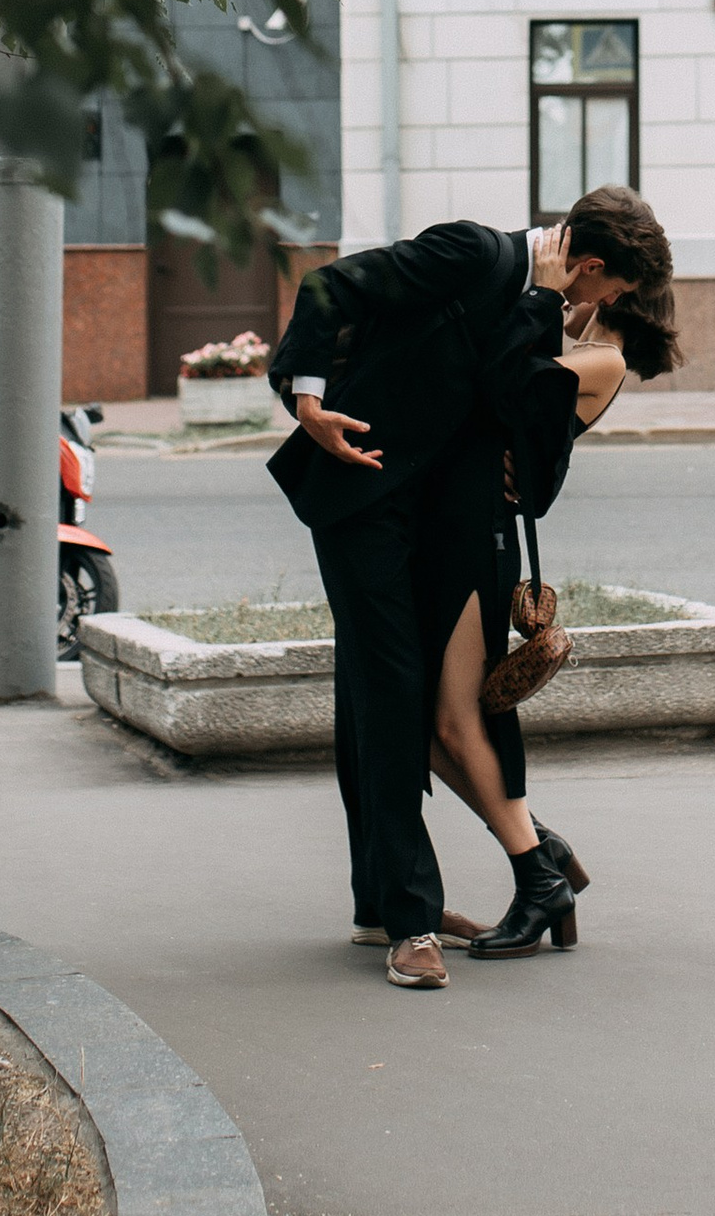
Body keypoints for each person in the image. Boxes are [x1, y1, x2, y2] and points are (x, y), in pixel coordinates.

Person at [265, 187, 676, 989]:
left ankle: (380, 905)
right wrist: (307, 400)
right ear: (589, 265)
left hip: (423, 515)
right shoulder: (475, 253)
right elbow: (330, 287)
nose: (604, 307)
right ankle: (413, 920)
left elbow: (502, 394)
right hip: (362, 489)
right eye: (610, 290)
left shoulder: (544, 306)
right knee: (391, 693)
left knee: (370, 697)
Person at [421, 263, 683, 970]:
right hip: (469, 532)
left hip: (483, 540)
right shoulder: (584, 349)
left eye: (599, 287)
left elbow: (503, 384)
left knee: (453, 720)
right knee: (426, 729)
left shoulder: (601, 358)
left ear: (621, 298)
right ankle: (541, 846)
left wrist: (541, 300)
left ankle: (539, 878)